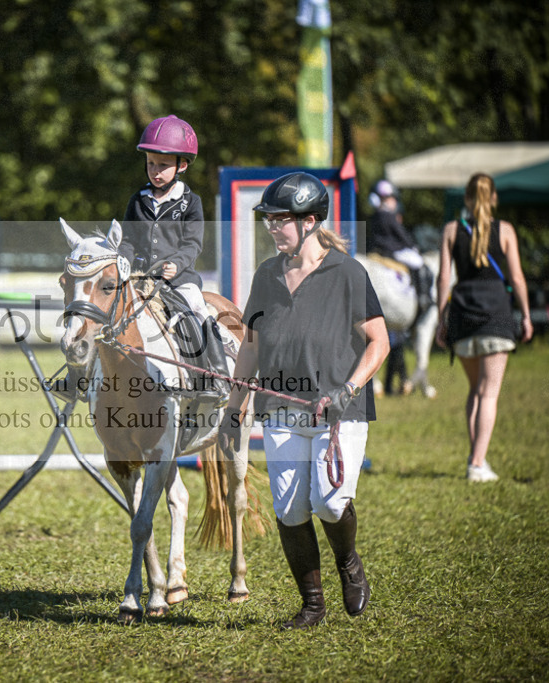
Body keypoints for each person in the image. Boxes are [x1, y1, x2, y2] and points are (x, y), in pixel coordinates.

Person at [219, 172, 390, 630]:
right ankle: (312, 605)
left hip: (340, 412)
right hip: (280, 410)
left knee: (331, 503)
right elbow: (251, 347)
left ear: (310, 221)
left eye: (281, 220)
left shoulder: (348, 273)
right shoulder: (266, 275)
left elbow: (379, 343)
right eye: (268, 220)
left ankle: (349, 562)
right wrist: (234, 406)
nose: (272, 228)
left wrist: (348, 390)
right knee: (290, 510)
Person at [119, 114, 229, 399]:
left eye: (163, 165)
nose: (155, 171)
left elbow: (193, 244)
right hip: (139, 277)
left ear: (182, 165)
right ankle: (79, 375)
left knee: (197, 309)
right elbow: (129, 240)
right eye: (151, 163)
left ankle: (216, 377)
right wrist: (122, 262)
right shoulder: (137, 200)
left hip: (178, 278)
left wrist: (176, 264)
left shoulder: (191, 203)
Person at [436, 173, 532, 483]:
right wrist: (527, 315)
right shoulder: (505, 230)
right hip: (495, 317)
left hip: (463, 316)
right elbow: (516, 278)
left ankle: (476, 457)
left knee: (476, 391)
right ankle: (477, 463)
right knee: (489, 394)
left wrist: (441, 319)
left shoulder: (451, 230)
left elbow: (443, 279)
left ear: (466, 198)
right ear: (493, 198)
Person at [368, 179, 433, 313]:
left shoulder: (375, 215)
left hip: (380, 250)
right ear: (384, 199)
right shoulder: (388, 215)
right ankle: (423, 298)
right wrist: (413, 246)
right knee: (420, 263)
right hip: (394, 251)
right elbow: (401, 235)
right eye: (392, 198)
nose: (394, 202)